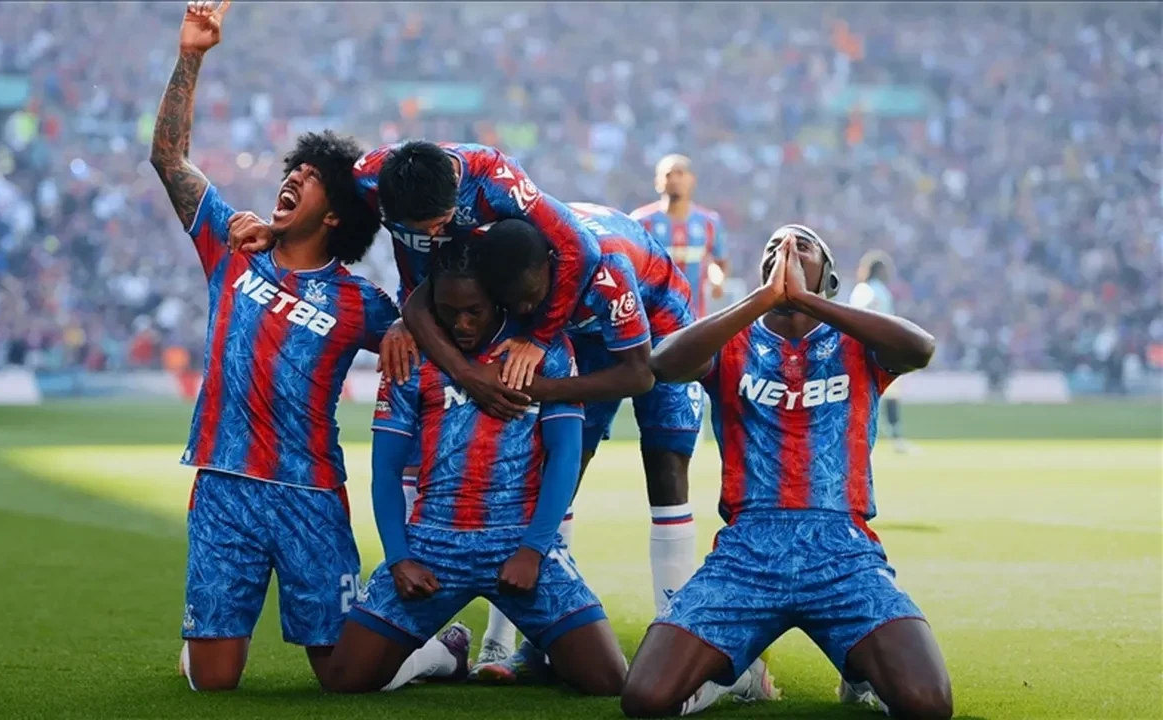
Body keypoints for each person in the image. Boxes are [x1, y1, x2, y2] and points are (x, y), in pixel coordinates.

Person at [149, 1, 456, 692]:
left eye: (313, 176)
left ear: (338, 213)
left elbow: (435, 330)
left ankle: (438, 650)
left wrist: (410, 324)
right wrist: (192, 54)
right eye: (297, 169)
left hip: (309, 493)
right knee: (214, 683)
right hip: (223, 483)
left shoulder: (360, 303)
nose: (295, 176)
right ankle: (205, 647)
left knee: (343, 676)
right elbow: (167, 157)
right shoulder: (231, 246)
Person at [620, 224, 952, 718]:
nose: (786, 252)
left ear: (828, 276)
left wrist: (809, 302)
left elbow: (920, 348)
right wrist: (762, 300)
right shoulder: (733, 340)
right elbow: (662, 364)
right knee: (644, 698)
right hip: (748, 551)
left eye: (803, 246)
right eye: (774, 248)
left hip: (842, 548)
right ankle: (733, 677)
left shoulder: (857, 341)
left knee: (928, 704)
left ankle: (859, 670)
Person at [467, 211, 778, 700]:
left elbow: (640, 373)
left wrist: (548, 386)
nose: (525, 307)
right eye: (516, 302)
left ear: (553, 265)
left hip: (660, 325)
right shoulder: (503, 256)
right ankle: (520, 641)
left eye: (531, 295)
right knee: (553, 470)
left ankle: (674, 637)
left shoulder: (605, 274)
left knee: (666, 466)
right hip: (585, 335)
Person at [318, 238, 626, 696]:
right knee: (344, 680)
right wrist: (400, 558)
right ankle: (446, 653)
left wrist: (533, 550)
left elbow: (564, 456)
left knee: (608, 680)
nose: (461, 324)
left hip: (518, 542)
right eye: (447, 311)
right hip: (432, 544)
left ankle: (542, 648)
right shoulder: (411, 354)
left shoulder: (542, 350)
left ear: (497, 299)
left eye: (474, 312)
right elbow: (385, 471)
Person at [227, 139, 603, 420]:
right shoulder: (367, 178)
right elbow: (319, 200)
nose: (437, 232)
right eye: (422, 230)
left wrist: (539, 338)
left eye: (443, 222)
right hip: (426, 302)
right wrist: (276, 230)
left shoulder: (498, 181)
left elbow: (581, 248)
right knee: (412, 381)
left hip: (492, 304)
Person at [630, 155, 728, 318]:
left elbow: (718, 261)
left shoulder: (709, 222)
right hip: (651, 317)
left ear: (692, 180)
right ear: (658, 182)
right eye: (668, 175)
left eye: (680, 173)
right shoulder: (640, 221)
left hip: (695, 316)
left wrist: (718, 280)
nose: (674, 179)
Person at [850, 250, 913, 453]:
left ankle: (856, 436)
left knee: (862, 395)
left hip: (859, 348)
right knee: (889, 393)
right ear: (880, 270)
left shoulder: (859, 290)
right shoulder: (879, 292)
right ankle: (895, 438)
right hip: (880, 348)